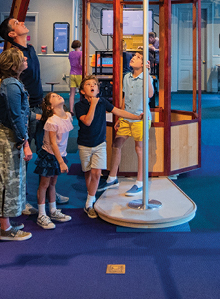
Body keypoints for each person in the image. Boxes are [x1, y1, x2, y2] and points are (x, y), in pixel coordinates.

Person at [0, 16, 67, 208]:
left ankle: (49, 191)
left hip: (41, 106)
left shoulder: (30, 49)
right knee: (25, 157)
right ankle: (23, 198)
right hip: (27, 110)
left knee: (48, 151)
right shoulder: (14, 55)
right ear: (12, 34)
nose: (21, 22)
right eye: (16, 23)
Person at [74, 74, 136, 218]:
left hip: (100, 143)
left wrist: (136, 117)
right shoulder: (79, 106)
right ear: (82, 91)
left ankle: (89, 202)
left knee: (96, 173)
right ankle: (92, 196)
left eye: (94, 84)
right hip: (84, 144)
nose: (92, 86)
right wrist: (93, 105)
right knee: (88, 173)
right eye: (88, 84)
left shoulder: (102, 102)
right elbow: (87, 121)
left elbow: (118, 111)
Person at [0, 47, 33, 241]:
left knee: (3, 179)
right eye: (22, 59)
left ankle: (0, 220)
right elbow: (16, 117)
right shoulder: (12, 85)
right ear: (14, 65)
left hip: (5, 135)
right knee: (8, 180)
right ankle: (5, 229)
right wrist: (25, 142)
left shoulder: (9, 83)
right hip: (8, 137)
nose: (26, 60)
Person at [106, 51, 153, 197]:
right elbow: (125, 98)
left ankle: (140, 182)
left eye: (138, 57)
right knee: (117, 143)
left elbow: (150, 94)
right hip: (127, 117)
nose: (133, 58)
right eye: (134, 56)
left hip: (140, 118)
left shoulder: (146, 77)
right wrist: (120, 116)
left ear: (144, 63)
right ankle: (112, 178)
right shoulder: (126, 77)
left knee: (139, 148)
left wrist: (147, 74)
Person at [33, 93, 74, 229]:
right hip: (50, 155)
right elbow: (53, 143)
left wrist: (61, 159)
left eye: (58, 95)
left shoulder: (68, 116)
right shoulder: (52, 121)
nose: (58, 96)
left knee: (53, 183)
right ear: (50, 107)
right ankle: (41, 214)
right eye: (54, 97)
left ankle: (53, 210)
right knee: (44, 184)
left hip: (59, 156)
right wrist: (61, 161)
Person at [67, 40, 84, 110]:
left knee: (72, 94)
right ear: (80, 46)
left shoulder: (70, 53)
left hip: (72, 74)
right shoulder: (81, 53)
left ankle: (71, 110)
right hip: (79, 74)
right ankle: (81, 108)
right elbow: (81, 64)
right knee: (82, 93)